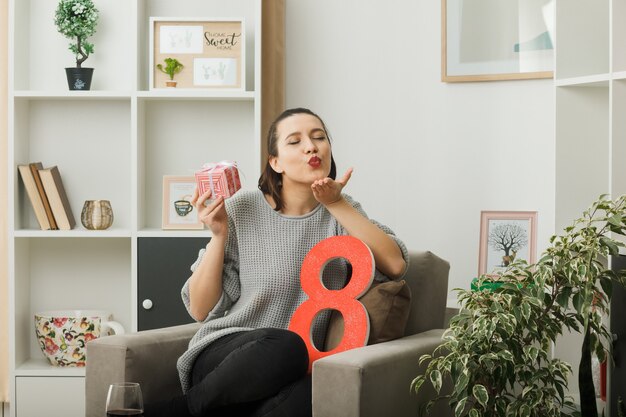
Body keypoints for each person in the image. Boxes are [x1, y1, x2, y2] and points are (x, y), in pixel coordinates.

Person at [144, 107, 409, 417]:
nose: (311, 146)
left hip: (294, 369)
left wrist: (337, 203)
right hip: (229, 357)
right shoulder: (242, 208)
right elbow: (201, 309)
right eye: (295, 141)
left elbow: (395, 264)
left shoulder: (340, 213)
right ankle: (178, 411)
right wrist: (218, 235)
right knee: (287, 345)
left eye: (319, 137)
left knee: (317, 391)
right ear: (275, 162)